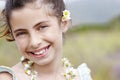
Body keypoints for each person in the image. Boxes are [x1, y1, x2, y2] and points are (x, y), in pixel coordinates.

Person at [0, 0, 92, 80]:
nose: (34, 42)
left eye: (42, 27)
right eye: (21, 33)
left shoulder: (80, 77)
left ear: (63, 23)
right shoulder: (8, 78)